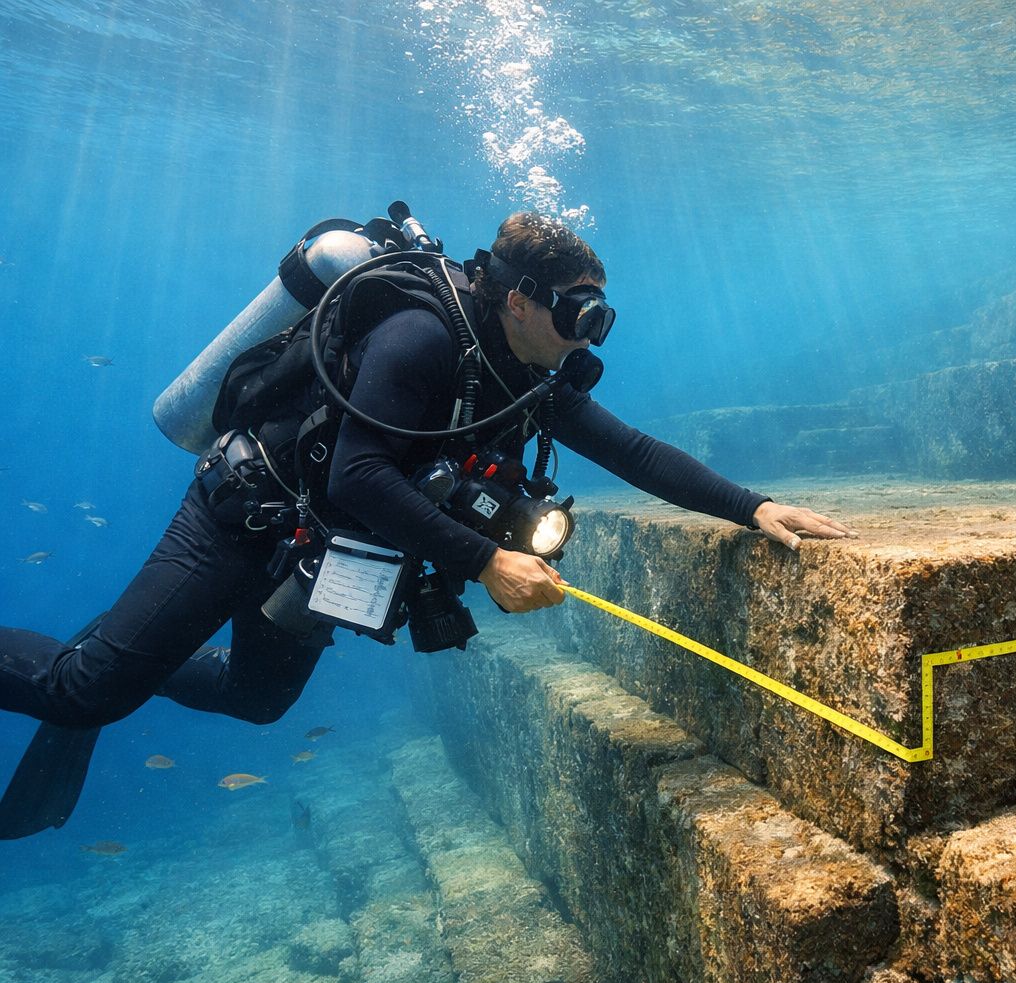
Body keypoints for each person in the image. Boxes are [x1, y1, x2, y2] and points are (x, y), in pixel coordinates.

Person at [0, 212, 854, 837]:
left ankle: (123, 641)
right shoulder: (420, 336)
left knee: (258, 701)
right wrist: (487, 562)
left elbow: (632, 451)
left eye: (597, 316)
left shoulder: (528, 370)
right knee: (86, 695)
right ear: (519, 299)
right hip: (243, 516)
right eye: (573, 313)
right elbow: (358, 473)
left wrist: (753, 507)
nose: (586, 334)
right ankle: (111, 655)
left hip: (326, 549)